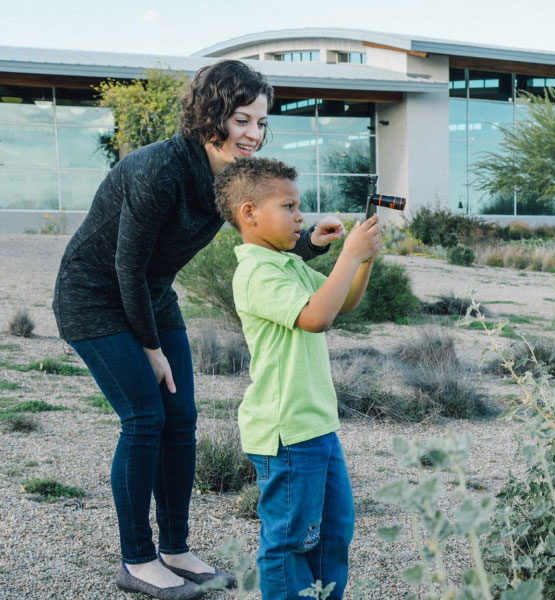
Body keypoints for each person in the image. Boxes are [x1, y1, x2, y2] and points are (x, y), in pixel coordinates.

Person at [52, 60, 344, 600]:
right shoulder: (158, 171)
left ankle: (176, 548)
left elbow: (255, 237)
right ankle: (137, 560)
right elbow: (125, 267)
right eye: (241, 120)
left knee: (181, 419)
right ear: (211, 115)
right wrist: (150, 347)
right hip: (93, 297)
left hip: (150, 295)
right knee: (144, 417)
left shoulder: (227, 177)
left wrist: (310, 247)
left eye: (261, 122)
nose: (253, 134)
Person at [213, 157, 381, 600]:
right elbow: (315, 318)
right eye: (288, 206)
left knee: (332, 534)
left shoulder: (286, 264)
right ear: (249, 213)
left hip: (317, 424)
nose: (300, 217)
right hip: (286, 432)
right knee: (288, 543)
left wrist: (362, 262)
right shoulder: (257, 272)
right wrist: (347, 254)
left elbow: (342, 302)